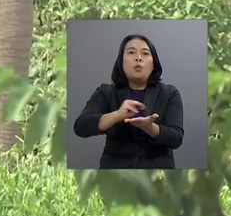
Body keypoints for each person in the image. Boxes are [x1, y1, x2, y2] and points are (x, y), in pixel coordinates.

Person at [73, 33, 185, 169]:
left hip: (158, 174)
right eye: (131, 52)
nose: (138, 58)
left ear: (154, 64)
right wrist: (118, 115)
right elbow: (81, 127)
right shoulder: (106, 92)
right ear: (121, 61)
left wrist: (150, 128)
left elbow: (176, 138)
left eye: (145, 53)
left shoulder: (169, 93)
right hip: (115, 172)